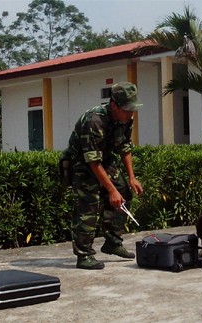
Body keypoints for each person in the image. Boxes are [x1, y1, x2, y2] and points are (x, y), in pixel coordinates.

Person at [61, 81, 144, 270]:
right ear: (114, 105)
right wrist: (110, 190)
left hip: (104, 161)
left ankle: (112, 242)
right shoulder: (94, 120)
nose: (131, 113)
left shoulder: (125, 119)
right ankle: (84, 255)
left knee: (124, 194)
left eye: (133, 109)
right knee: (88, 206)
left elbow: (124, 148)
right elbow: (92, 161)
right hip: (81, 164)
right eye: (127, 109)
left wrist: (131, 178)